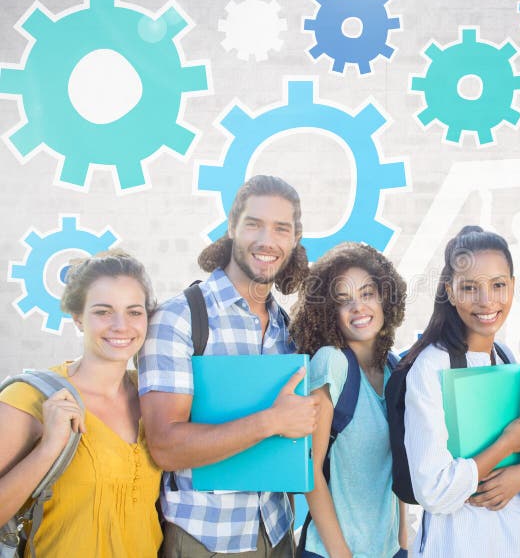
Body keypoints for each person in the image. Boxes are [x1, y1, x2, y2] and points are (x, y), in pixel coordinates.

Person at [138, 175, 320, 557]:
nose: (266, 240)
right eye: (254, 224)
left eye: (280, 228)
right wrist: (272, 421)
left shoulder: (286, 329)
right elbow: (166, 447)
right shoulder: (181, 317)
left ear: (295, 240)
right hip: (205, 537)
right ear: (231, 228)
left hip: (276, 531)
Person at [0, 250, 162, 557]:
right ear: (78, 318)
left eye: (134, 312)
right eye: (103, 312)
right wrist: (48, 448)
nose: (120, 325)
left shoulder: (153, 394)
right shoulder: (31, 397)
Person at [400, 225, 520, 558]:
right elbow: (432, 490)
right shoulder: (431, 366)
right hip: (456, 542)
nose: (486, 300)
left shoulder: (506, 357)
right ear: (450, 291)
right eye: (469, 288)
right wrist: (507, 443)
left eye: (498, 285)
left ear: (513, 287)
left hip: (514, 538)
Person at [290, 242, 408, 558]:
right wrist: (342, 554)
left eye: (367, 294)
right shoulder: (332, 364)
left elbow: (396, 467)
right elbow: (309, 471)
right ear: (330, 313)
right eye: (344, 300)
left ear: (385, 298)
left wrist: (404, 543)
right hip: (334, 552)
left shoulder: (394, 367)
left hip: (389, 550)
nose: (358, 307)